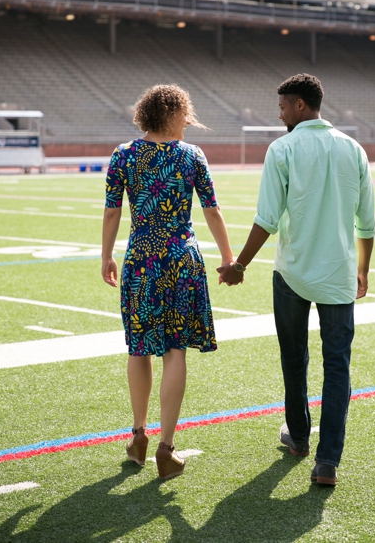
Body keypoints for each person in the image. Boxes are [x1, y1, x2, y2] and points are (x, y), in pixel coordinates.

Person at [219, 73, 375, 487]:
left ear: (300, 106)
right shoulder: (354, 149)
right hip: (339, 275)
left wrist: (240, 266)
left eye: (283, 106)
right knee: (337, 366)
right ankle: (328, 462)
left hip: (292, 272)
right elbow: (368, 222)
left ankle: (300, 438)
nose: (280, 113)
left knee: (294, 358)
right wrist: (363, 268)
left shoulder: (283, 148)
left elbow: (266, 219)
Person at [101, 84, 236, 480]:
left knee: (139, 347)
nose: (190, 123)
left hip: (141, 257)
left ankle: (138, 437)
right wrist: (229, 257)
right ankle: (166, 448)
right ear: (174, 115)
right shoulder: (192, 155)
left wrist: (107, 254)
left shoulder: (123, 155)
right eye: (186, 116)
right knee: (175, 350)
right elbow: (212, 211)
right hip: (181, 259)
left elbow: (112, 213)